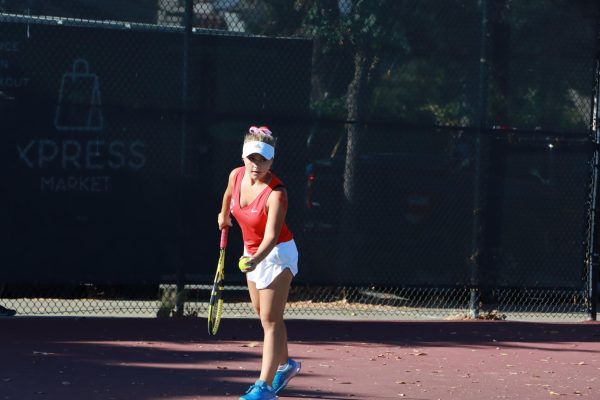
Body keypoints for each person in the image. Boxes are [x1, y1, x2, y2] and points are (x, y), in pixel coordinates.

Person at [218, 126, 301, 400]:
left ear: (272, 161)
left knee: (270, 320)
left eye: (264, 159)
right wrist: (223, 214)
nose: (257, 165)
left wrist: (254, 261)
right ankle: (287, 365)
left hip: (276, 255)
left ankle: (264, 387)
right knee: (266, 315)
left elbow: (271, 237)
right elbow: (229, 195)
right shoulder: (236, 174)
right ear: (244, 158)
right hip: (251, 253)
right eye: (253, 158)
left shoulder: (277, 194)